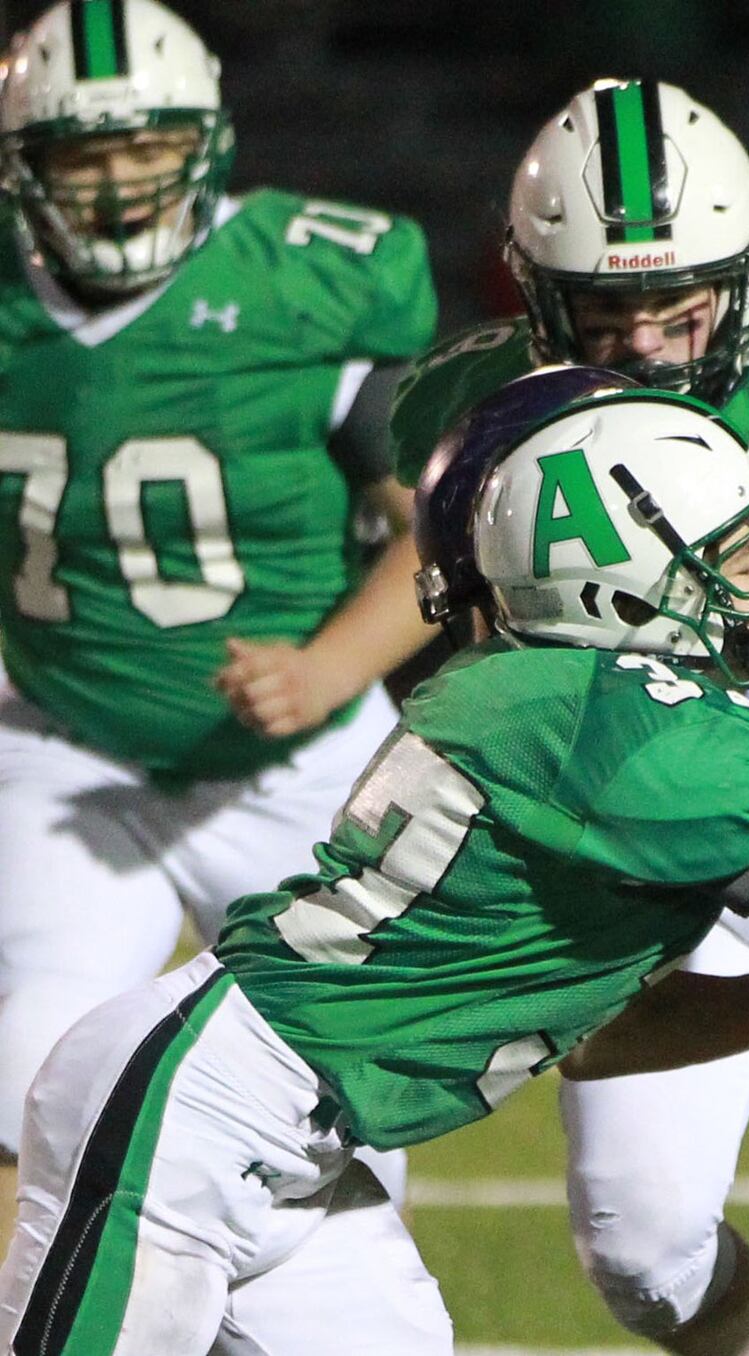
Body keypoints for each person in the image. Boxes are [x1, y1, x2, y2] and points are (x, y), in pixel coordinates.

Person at [0, 387, 749, 1356]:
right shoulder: (639, 734)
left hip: (293, 1143)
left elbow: (597, 1038)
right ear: (630, 580)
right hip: (197, 1118)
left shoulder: (567, 698)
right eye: (736, 554)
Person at [391, 78, 749, 1356]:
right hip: (661, 840)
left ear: (747, 276)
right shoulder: (470, 411)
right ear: (538, 300)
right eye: (612, 317)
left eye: (681, 308)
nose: (652, 347)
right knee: (643, 1256)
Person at [0, 0, 438, 1238]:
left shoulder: (308, 279)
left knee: (326, 1139)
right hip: (69, 739)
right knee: (27, 1084)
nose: (123, 187)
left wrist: (324, 666)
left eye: (149, 149)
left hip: (303, 759)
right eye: (86, 156)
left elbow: (440, 526)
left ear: (206, 144)